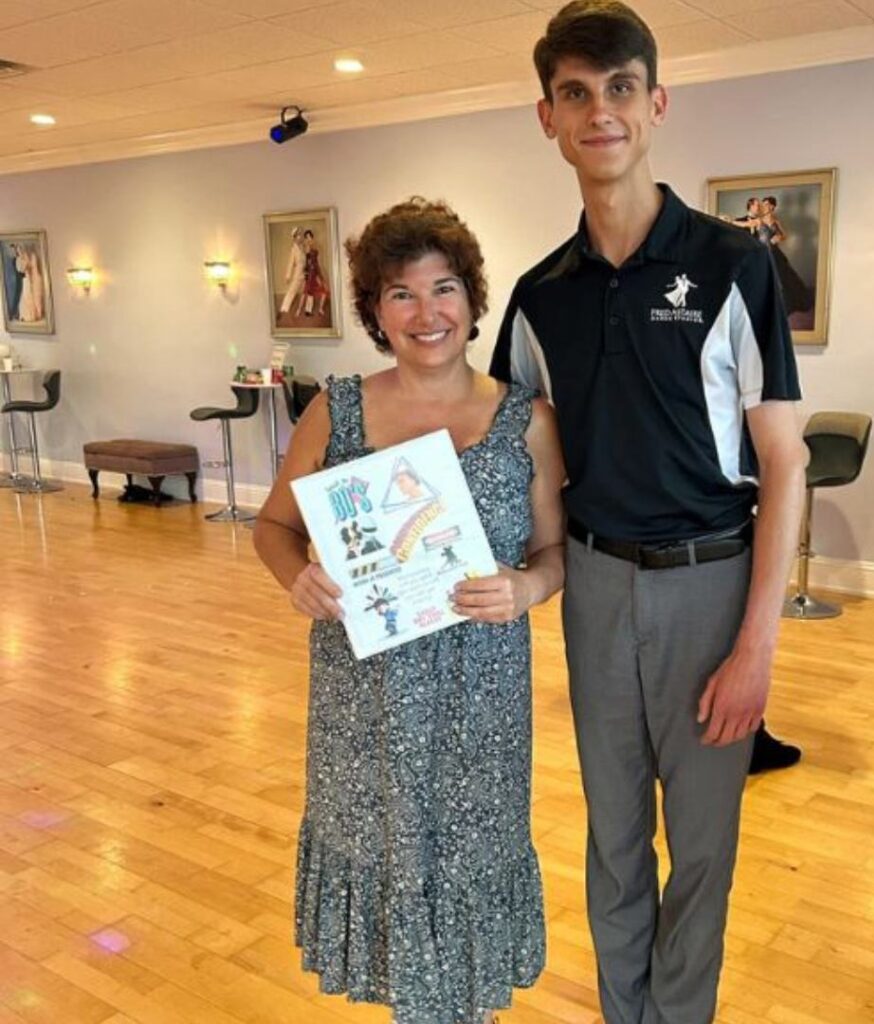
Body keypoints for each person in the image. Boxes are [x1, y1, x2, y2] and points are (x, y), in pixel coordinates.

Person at [489, 4, 805, 1021]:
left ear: (655, 102)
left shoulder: (732, 265)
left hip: (711, 589)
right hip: (593, 588)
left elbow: (784, 464)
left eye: (619, 87)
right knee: (613, 841)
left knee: (701, 854)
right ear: (547, 117)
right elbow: (525, 461)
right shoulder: (540, 294)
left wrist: (757, 644)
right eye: (575, 93)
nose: (600, 111)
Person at [253, 197, 566, 1024]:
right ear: (375, 312)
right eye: (401, 293)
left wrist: (527, 587)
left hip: (482, 694)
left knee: (469, 857)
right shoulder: (338, 409)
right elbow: (275, 526)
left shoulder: (526, 418)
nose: (427, 312)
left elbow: (557, 552)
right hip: (366, 693)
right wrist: (299, 579)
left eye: (445, 288)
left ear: (472, 301)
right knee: (384, 849)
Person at [758, 196, 812, 315]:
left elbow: (784, 235)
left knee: (782, 277)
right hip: (762, 253)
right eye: (763, 205)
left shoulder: (775, 221)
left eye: (766, 204)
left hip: (773, 252)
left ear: (772, 206)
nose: (764, 207)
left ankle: (784, 305)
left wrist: (778, 238)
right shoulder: (759, 220)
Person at [301, 228, 330, 317]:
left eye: (310, 237)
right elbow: (306, 263)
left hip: (316, 271)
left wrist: (320, 275)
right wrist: (306, 274)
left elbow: (318, 262)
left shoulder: (315, 248)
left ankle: (320, 309)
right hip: (310, 273)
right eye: (307, 237)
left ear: (312, 238)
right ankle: (308, 311)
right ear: (305, 239)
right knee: (310, 293)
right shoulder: (306, 249)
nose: (309, 239)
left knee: (324, 290)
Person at [279, 225, 306, 317]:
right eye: (297, 235)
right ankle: (284, 308)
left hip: (305, 271)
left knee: (307, 290)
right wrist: (288, 276)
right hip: (298, 271)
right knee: (292, 289)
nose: (300, 237)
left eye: (300, 235)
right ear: (294, 238)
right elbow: (291, 263)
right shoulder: (294, 249)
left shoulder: (303, 247)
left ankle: (305, 309)